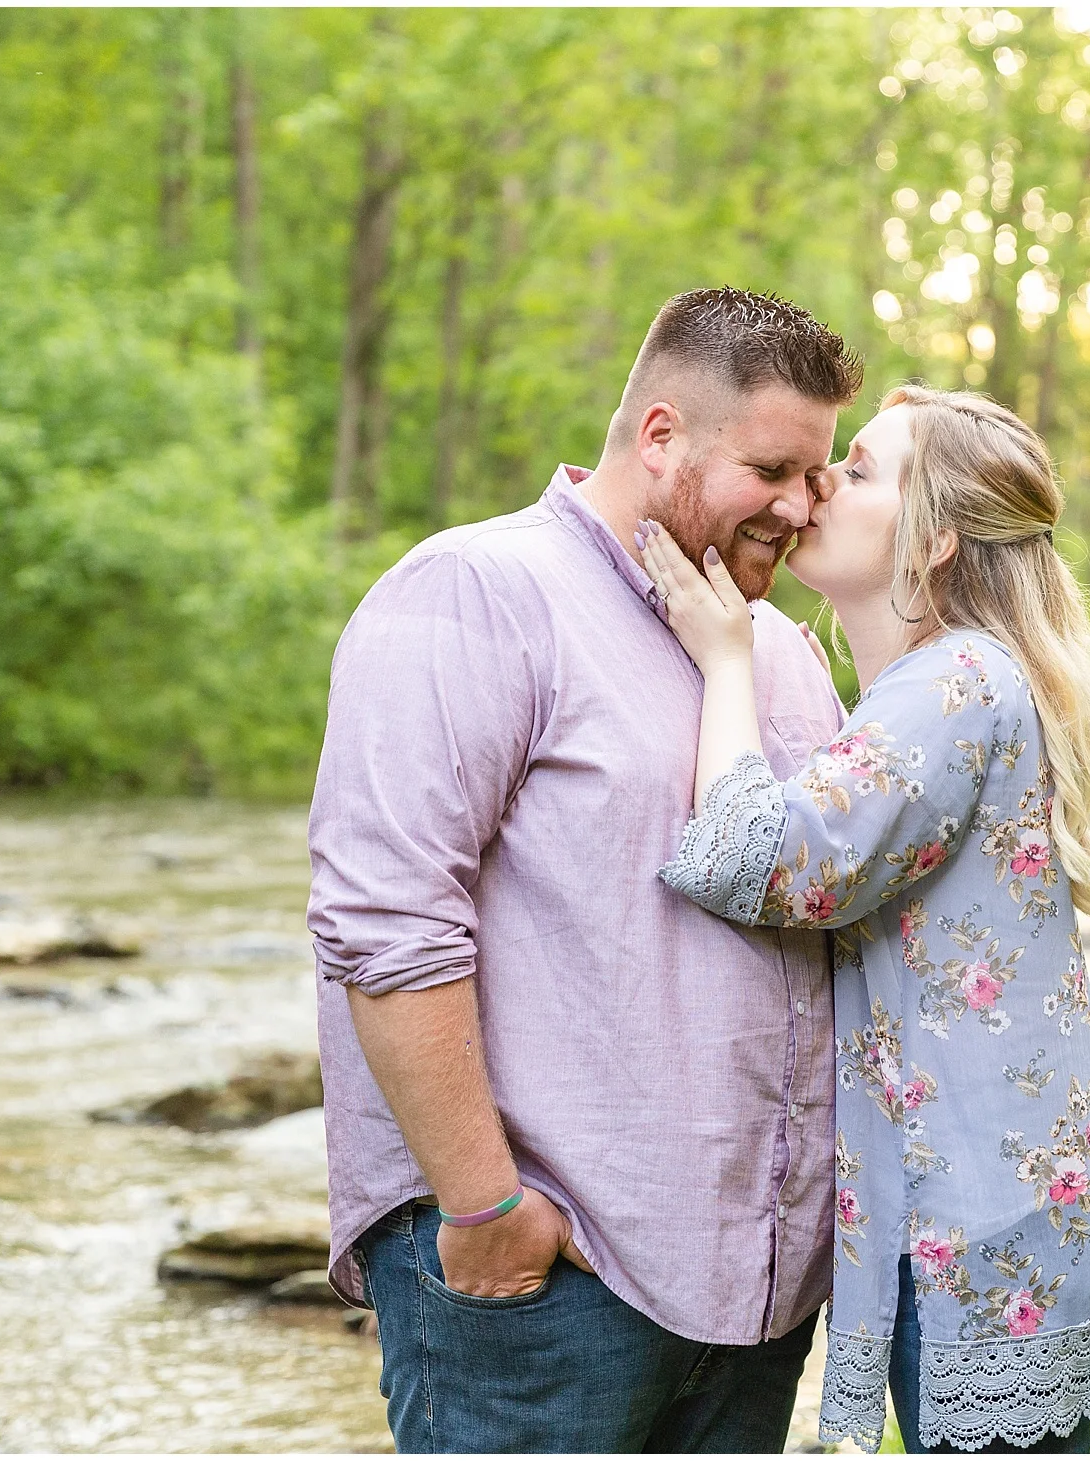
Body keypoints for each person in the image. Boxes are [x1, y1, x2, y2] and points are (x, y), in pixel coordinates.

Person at [306, 288, 864, 1452]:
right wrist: (486, 1207)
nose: (801, 508)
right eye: (773, 468)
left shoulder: (773, 651)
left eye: (817, 477)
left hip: (753, 1290)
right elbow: (385, 922)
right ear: (660, 435)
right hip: (551, 1281)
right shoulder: (475, 594)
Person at [644, 385, 1090, 1453]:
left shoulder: (956, 683)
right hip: (981, 1210)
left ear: (935, 542)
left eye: (861, 468)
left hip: (978, 1227)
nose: (822, 483)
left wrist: (725, 659)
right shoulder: (929, 685)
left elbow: (761, 864)